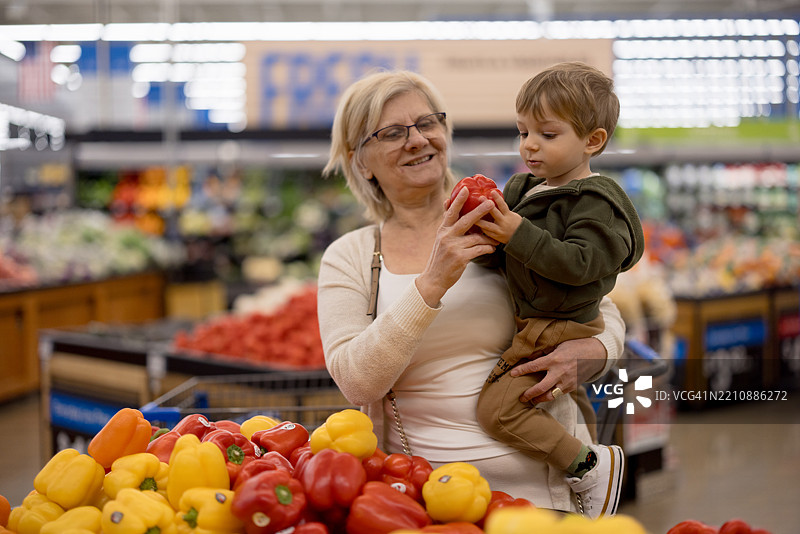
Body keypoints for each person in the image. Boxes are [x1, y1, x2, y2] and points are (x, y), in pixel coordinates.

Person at [316, 68, 627, 513]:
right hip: (421, 496)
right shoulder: (351, 256)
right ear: (359, 159)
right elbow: (356, 381)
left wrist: (596, 351)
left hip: (544, 490)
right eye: (391, 132)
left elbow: (597, 301)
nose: (418, 139)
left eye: (427, 123)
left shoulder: (506, 213)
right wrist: (431, 284)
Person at [470, 61, 645, 518]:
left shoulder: (596, 201)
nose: (529, 145)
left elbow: (582, 264)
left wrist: (515, 234)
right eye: (523, 131)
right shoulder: (524, 188)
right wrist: (481, 236)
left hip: (561, 324)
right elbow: (505, 259)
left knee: (498, 409)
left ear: (593, 141)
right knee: (571, 401)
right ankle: (588, 461)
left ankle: (587, 464)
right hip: (538, 318)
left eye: (547, 134)